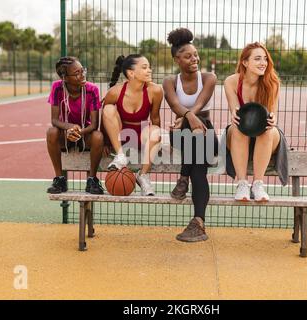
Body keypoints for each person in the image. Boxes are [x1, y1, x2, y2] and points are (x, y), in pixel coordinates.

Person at [163, 28, 219, 242]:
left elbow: (200, 103)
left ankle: (184, 178)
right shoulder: (170, 82)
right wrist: (187, 118)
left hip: (205, 133)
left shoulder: (209, 78)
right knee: (194, 138)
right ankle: (199, 223)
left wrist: (188, 117)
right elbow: (175, 104)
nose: (195, 59)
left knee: (198, 137)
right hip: (181, 136)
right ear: (177, 59)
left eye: (196, 54)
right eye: (188, 56)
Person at [224, 42, 288, 202]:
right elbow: (235, 113)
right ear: (245, 62)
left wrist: (272, 119)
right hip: (241, 132)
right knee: (237, 126)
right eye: (257, 59)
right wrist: (234, 113)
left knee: (268, 129)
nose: (263, 63)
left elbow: (272, 114)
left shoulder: (272, 82)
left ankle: (258, 184)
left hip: (266, 134)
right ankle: (242, 184)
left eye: (265, 59)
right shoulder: (231, 82)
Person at [102, 54, 163, 196]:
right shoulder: (115, 92)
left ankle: (143, 175)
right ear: (131, 73)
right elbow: (105, 117)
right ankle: (120, 156)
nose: (149, 70)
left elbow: (155, 119)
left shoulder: (155, 91)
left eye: (149, 67)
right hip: (121, 136)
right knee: (108, 108)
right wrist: (105, 141)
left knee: (155, 131)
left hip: (141, 136)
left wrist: (156, 143)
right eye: (144, 67)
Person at [46, 56, 105, 194]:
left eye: (82, 70)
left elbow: (94, 124)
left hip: (85, 134)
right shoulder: (57, 87)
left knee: (98, 136)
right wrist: (70, 128)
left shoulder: (92, 89)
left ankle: (92, 180)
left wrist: (78, 132)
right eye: (77, 73)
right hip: (66, 134)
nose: (82, 74)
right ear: (65, 78)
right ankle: (60, 180)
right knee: (51, 132)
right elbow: (54, 120)